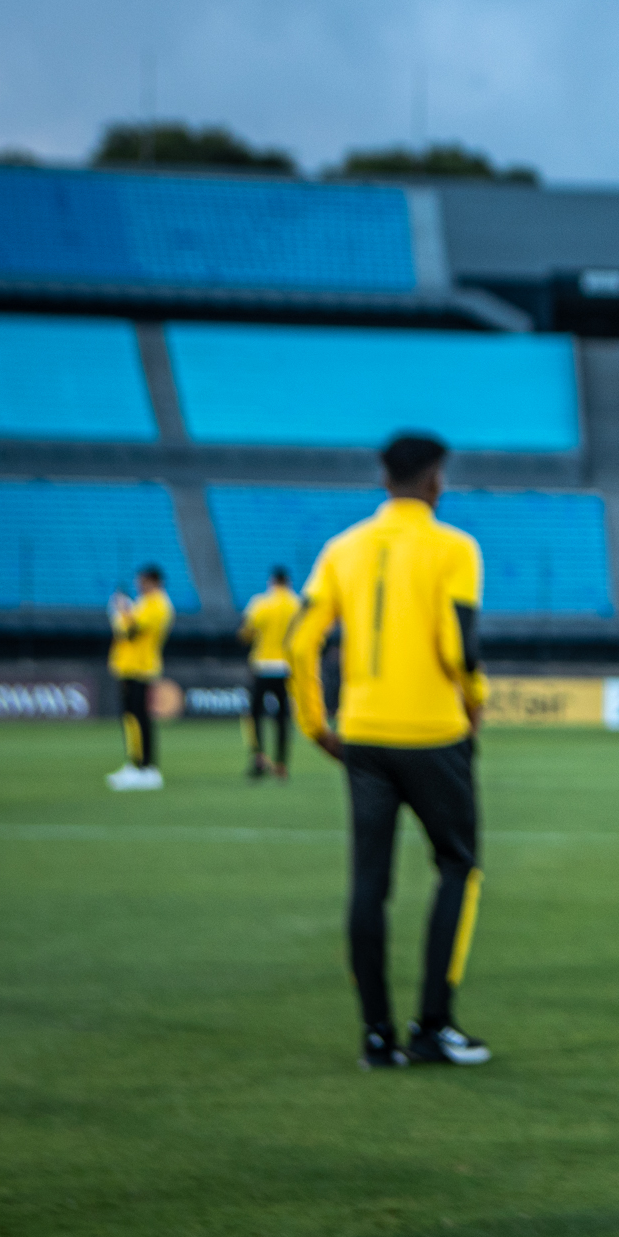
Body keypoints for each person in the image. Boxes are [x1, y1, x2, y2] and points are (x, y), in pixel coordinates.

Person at [288, 432, 495, 1072]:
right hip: (434, 733)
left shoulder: (340, 549)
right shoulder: (455, 547)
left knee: (369, 885)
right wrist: (475, 697)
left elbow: (300, 644)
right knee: (459, 866)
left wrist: (316, 726)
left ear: (384, 477)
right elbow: (455, 644)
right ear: (435, 480)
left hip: (365, 737)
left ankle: (376, 1037)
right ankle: (433, 1025)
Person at [106, 563, 173, 790]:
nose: (138, 584)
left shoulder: (158, 605)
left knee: (140, 718)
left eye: (142, 581)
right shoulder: (146, 603)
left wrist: (121, 612)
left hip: (141, 668)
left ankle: (146, 768)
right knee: (132, 717)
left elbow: (131, 632)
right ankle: (136, 764)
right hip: (130, 667)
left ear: (153, 581)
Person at [238, 565, 299, 781]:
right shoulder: (297, 604)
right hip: (287, 668)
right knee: (283, 717)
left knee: (254, 715)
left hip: (263, 667)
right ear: (288, 582)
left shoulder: (261, 603)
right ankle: (282, 764)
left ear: (272, 581)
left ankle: (259, 759)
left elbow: (246, 632)